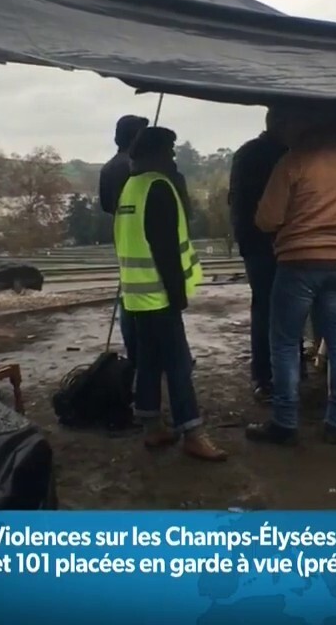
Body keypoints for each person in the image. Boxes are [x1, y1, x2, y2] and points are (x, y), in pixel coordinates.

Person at [246, 113, 336, 446]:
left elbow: (267, 218)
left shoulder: (294, 163)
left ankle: (285, 422)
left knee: (286, 343)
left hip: (298, 263)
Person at [113, 126, 225, 462]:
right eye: (169, 150)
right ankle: (192, 432)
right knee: (178, 364)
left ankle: (152, 426)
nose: (173, 156)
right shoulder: (158, 188)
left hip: (135, 296)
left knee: (148, 361)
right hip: (159, 295)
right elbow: (165, 251)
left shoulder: (130, 187)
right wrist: (178, 295)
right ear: (154, 153)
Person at [228, 108, 290, 402]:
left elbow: (237, 204)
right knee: (277, 310)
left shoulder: (245, 154)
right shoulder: (282, 157)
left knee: (264, 308)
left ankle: (265, 374)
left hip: (254, 244)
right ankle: (273, 373)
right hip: (273, 243)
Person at [99, 115, 149, 363]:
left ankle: (134, 352)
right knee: (152, 300)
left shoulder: (108, 168)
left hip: (123, 238)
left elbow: (107, 206)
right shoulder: (138, 167)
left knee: (128, 293)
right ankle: (156, 353)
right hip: (146, 238)